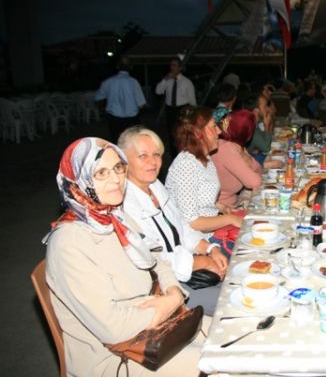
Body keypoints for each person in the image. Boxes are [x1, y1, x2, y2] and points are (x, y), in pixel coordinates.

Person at [44, 137, 205, 376]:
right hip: (115, 357)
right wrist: (169, 303)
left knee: (233, 336)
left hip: (156, 326)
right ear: (77, 181)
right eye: (101, 173)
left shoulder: (116, 217)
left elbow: (158, 262)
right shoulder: (69, 244)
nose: (116, 179)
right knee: (219, 363)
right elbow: (113, 328)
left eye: (118, 168)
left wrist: (173, 293)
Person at [118, 126, 228, 315]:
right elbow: (156, 259)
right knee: (233, 299)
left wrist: (210, 249)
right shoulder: (124, 204)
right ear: (123, 161)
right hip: (163, 287)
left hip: (187, 271)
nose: (153, 162)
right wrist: (202, 262)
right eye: (143, 156)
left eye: (157, 154)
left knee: (239, 280)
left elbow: (181, 226)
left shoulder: (155, 186)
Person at [165, 107, 243, 254]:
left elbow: (199, 198)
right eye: (214, 127)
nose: (219, 131)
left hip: (211, 233)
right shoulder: (186, 165)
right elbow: (192, 222)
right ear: (198, 133)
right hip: (200, 243)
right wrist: (230, 219)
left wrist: (221, 207)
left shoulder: (204, 158)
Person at [211, 109, 262, 207]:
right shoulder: (226, 148)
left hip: (232, 202)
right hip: (222, 208)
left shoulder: (234, 145)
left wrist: (245, 156)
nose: (218, 130)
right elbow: (255, 182)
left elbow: (258, 170)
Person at [95, 56, 146, 142]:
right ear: (131, 67)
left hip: (114, 119)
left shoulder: (108, 82)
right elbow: (141, 105)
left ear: (117, 66)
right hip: (131, 120)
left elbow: (98, 98)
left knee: (116, 142)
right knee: (131, 143)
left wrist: (105, 106)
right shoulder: (133, 82)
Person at [155, 57, 197, 156]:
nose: (171, 67)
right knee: (172, 134)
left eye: (174, 65)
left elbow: (192, 99)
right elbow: (158, 91)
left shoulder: (187, 82)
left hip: (182, 110)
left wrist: (194, 114)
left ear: (180, 68)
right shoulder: (167, 80)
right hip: (170, 110)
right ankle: (174, 156)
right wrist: (165, 79)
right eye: (171, 65)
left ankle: (184, 154)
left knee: (183, 134)